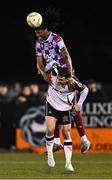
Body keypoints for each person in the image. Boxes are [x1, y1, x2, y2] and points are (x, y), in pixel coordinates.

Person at [34, 6, 90, 153]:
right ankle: (57, 142)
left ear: (46, 30)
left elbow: (66, 55)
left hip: (65, 74)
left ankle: (84, 140)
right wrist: (44, 74)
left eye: (40, 31)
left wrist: (70, 76)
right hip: (53, 75)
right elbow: (39, 61)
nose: (37, 34)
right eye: (36, 31)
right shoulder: (38, 43)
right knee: (55, 105)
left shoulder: (57, 39)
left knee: (72, 106)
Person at [45, 67, 89, 171]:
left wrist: (79, 104)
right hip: (51, 104)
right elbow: (46, 66)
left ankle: (68, 163)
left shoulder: (73, 83)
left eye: (61, 79)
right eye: (58, 79)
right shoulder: (53, 75)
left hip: (64, 109)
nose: (59, 81)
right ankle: (50, 154)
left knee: (66, 132)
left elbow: (85, 90)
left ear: (68, 78)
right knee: (50, 129)